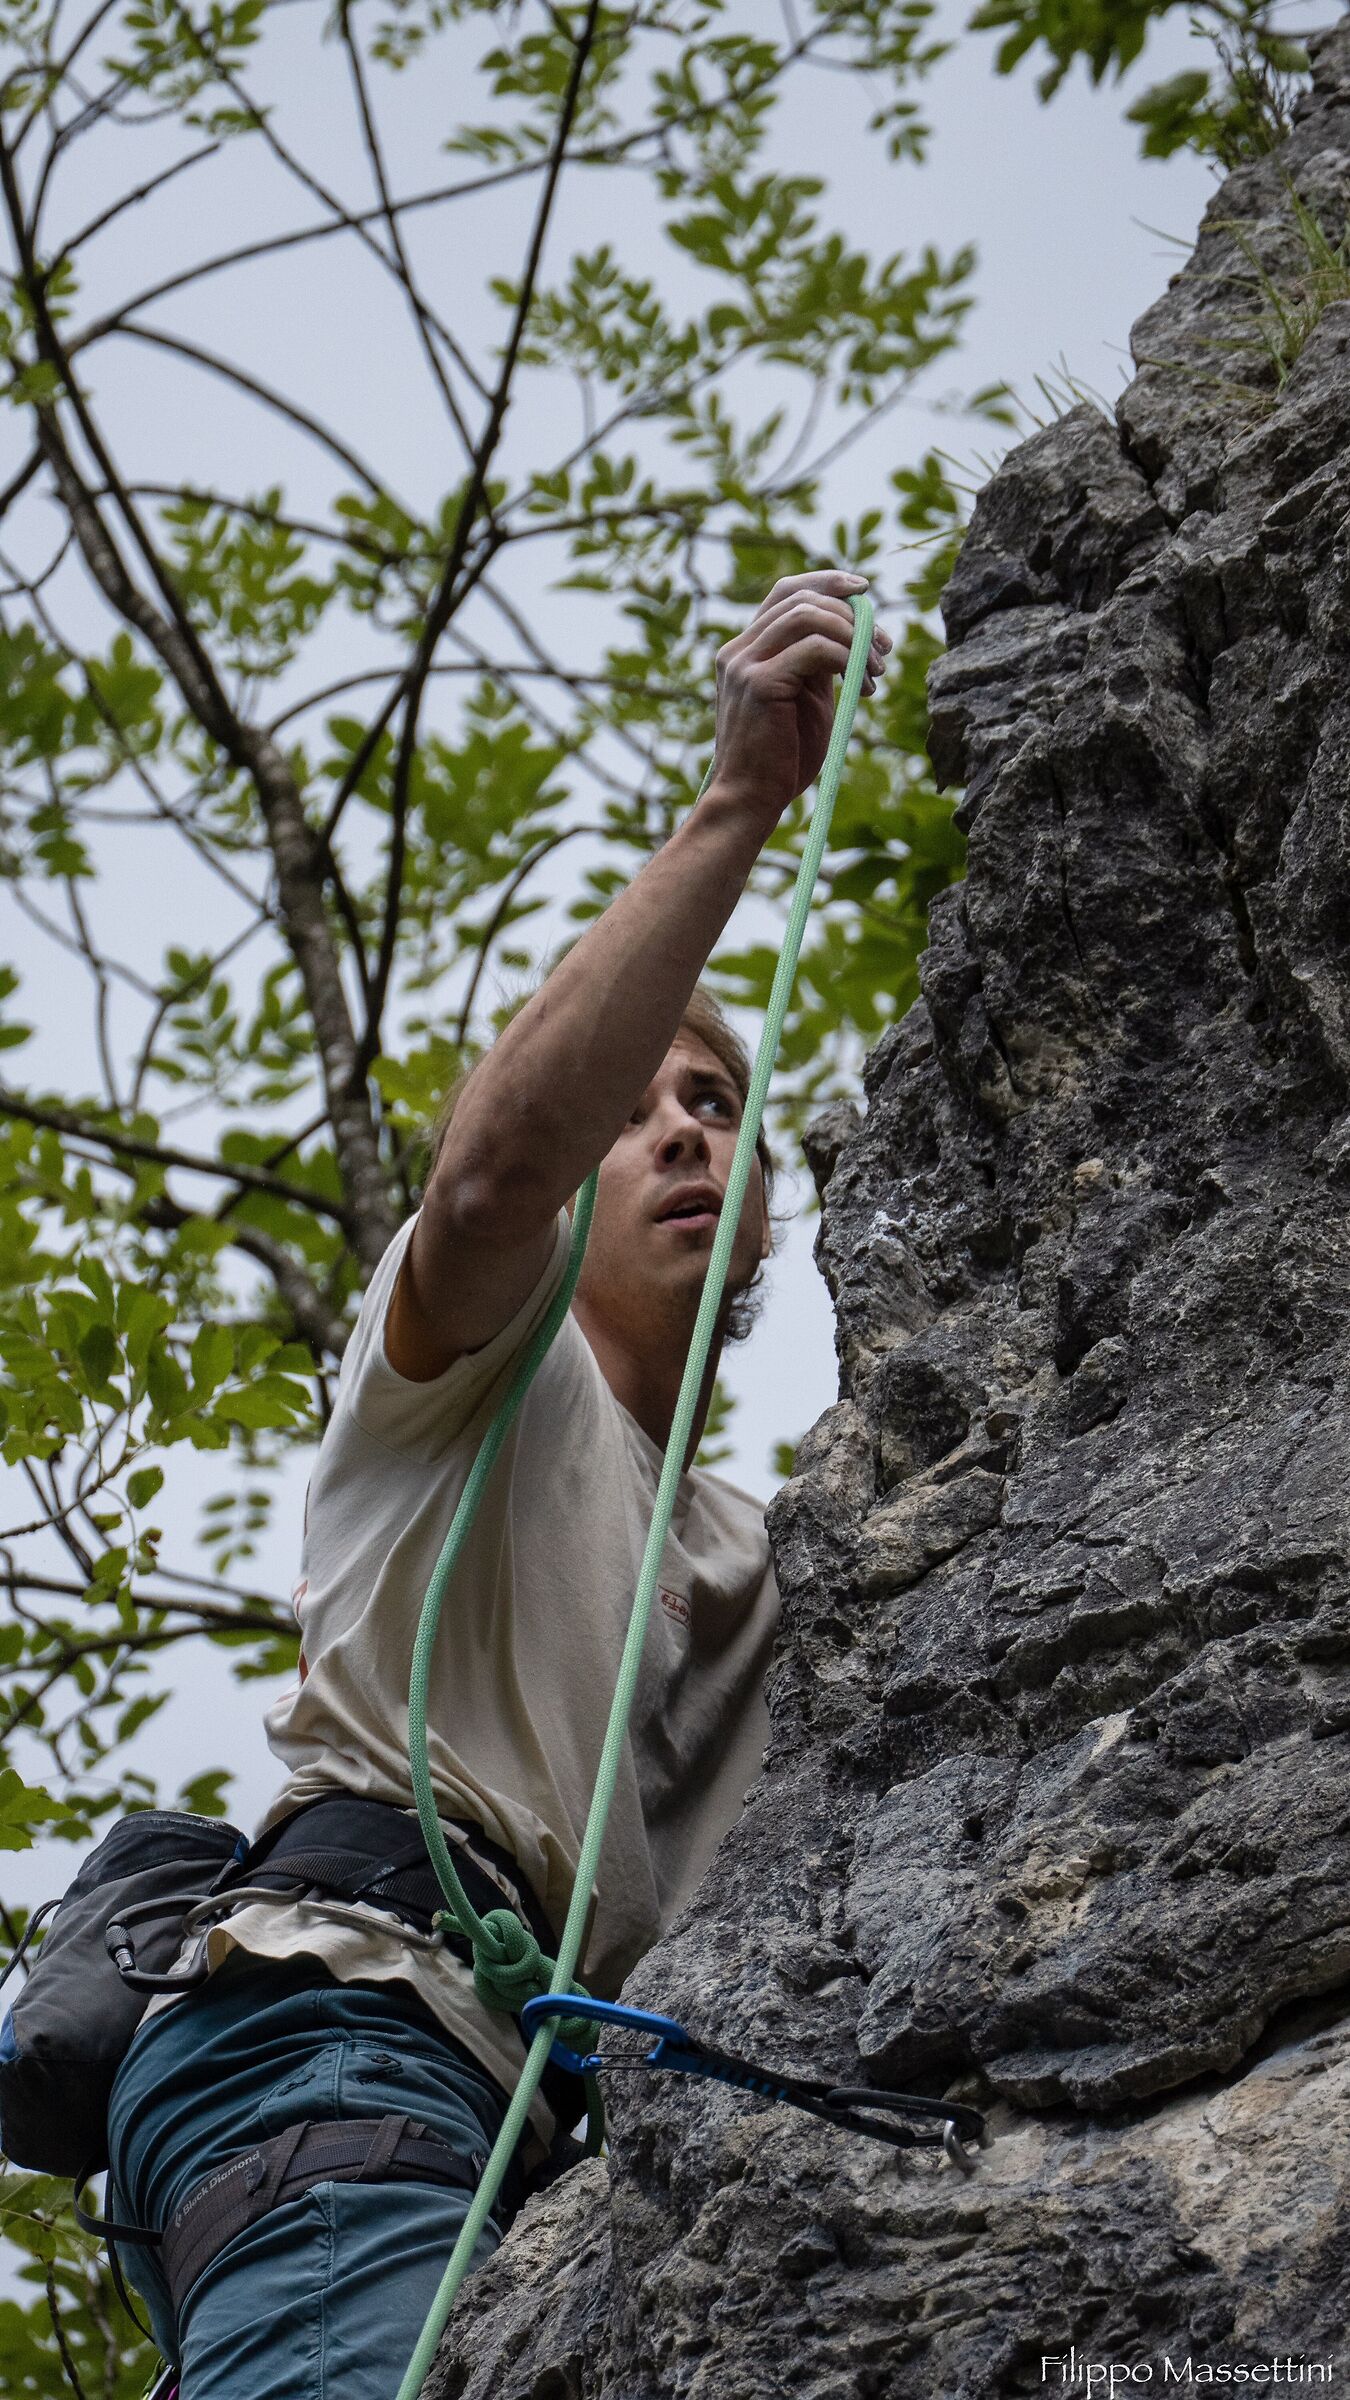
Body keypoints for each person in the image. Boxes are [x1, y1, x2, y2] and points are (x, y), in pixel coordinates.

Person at [105, 568, 890, 2399]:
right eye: (638, 1106)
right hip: (342, 2027)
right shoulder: (473, 1361)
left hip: (528, 2120)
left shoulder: (761, 1555)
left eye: (716, 1107)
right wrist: (737, 809)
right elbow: (479, 1190)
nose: (681, 1124)